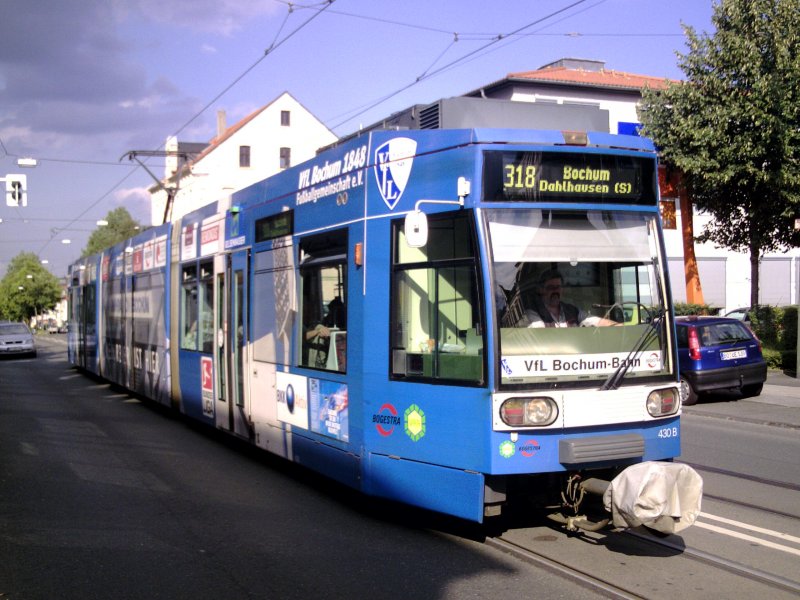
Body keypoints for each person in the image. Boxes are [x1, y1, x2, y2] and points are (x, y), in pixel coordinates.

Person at [517, 269, 615, 328]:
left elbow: (596, 321)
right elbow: (542, 334)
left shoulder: (572, 310)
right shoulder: (532, 312)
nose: (556, 291)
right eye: (551, 287)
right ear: (541, 290)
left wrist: (620, 327)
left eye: (558, 287)